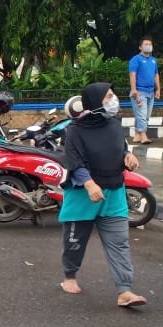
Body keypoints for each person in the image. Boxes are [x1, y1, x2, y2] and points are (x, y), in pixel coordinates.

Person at [59, 82, 146, 308]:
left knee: (120, 242)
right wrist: (89, 184)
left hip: (114, 192)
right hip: (84, 195)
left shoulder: (115, 125)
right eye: (108, 97)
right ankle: (69, 276)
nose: (113, 99)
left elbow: (121, 147)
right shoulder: (75, 131)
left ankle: (124, 290)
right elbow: (75, 161)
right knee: (75, 242)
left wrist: (128, 157)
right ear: (95, 101)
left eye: (112, 95)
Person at [128, 36, 159, 144]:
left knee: (145, 115)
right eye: (146, 44)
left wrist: (158, 89)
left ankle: (137, 135)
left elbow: (156, 75)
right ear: (140, 47)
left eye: (150, 44)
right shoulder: (135, 59)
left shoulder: (153, 60)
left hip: (151, 91)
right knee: (142, 114)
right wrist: (133, 89)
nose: (148, 46)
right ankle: (143, 135)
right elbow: (132, 74)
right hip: (139, 92)